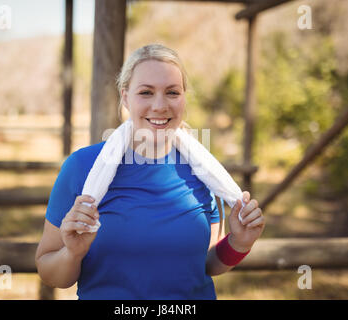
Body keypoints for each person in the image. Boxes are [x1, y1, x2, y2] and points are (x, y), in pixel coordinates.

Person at [35, 44, 265, 300]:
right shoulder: (81, 167)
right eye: (146, 92)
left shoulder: (205, 170)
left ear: (184, 98)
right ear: (125, 98)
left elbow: (206, 265)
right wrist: (72, 253)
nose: (160, 105)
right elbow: (49, 272)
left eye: (172, 92)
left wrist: (239, 244)